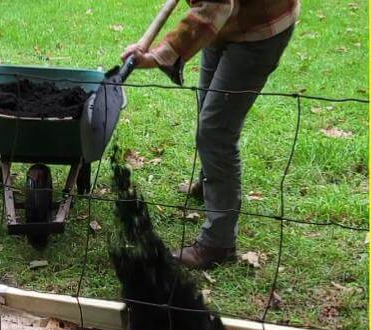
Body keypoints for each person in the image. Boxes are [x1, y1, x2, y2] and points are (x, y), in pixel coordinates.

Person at [122, 0, 299, 269]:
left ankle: (218, 243)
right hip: (226, 23)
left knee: (216, 130)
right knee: (208, 106)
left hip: (258, 29)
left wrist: (160, 55)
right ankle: (211, 186)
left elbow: (216, 7)